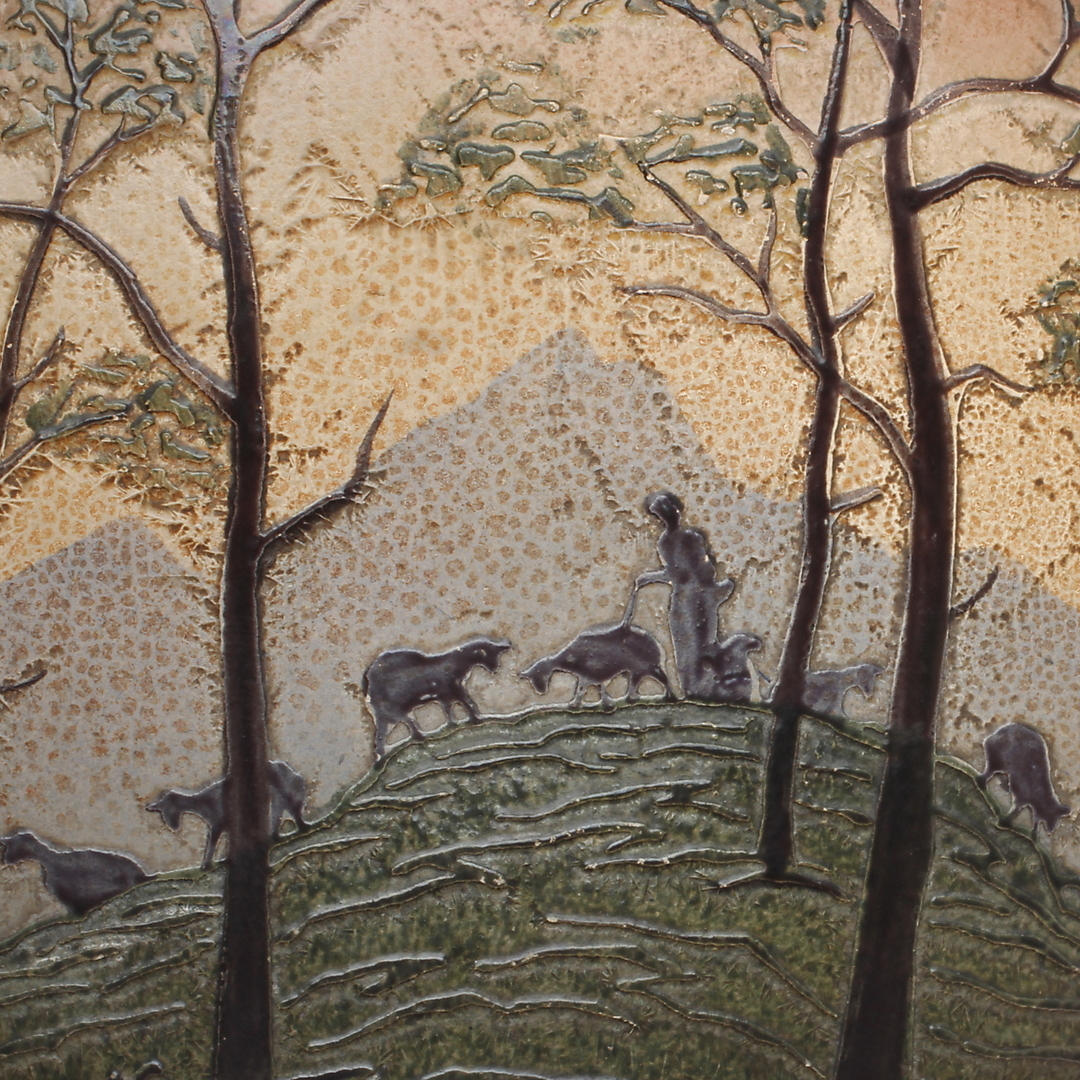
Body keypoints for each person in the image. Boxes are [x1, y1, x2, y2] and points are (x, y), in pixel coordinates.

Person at [628, 491, 735, 698]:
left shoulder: (691, 538)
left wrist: (653, 577)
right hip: (686, 598)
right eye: (662, 514)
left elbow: (698, 569)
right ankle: (692, 689)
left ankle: (710, 686)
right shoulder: (666, 543)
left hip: (700, 596)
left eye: (669, 511)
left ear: (676, 512)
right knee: (687, 644)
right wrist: (651, 578)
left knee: (704, 641)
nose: (668, 516)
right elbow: (676, 573)